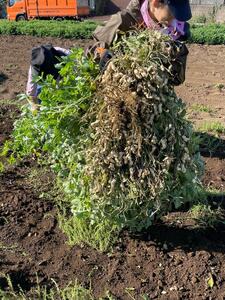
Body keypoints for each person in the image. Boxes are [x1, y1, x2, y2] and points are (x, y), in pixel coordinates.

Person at [88, 0, 192, 85]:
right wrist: (102, 53)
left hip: (152, 100)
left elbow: (176, 80)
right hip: (120, 92)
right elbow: (93, 50)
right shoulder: (123, 22)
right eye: (172, 15)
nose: (175, 22)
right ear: (155, 3)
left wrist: (176, 49)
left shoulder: (172, 30)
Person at [26, 44, 70, 112]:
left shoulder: (68, 58)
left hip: (65, 76)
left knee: (62, 95)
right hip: (47, 80)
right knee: (38, 92)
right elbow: (31, 87)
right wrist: (34, 104)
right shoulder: (37, 62)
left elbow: (76, 78)